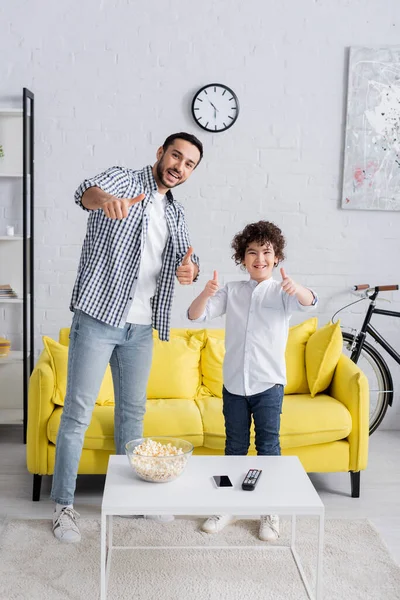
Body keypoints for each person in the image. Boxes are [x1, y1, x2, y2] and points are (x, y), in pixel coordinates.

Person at [51, 132, 203, 543]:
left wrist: (190, 270)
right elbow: (85, 193)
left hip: (141, 327)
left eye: (189, 164)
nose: (179, 166)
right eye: (176, 156)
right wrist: (106, 202)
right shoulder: (122, 180)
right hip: (99, 315)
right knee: (77, 414)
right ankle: (64, 506)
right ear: (160, 153)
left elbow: (188, 257)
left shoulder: (176, 212)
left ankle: (132, 499)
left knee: (132, 415)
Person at [188, 221, 318, 541]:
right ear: (242, 258)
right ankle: (228, 505)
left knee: (268, 448)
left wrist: (296, 288)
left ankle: (268, 511)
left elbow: (309, 300)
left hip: (268, 385)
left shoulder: (283, 292)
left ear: (276, 258)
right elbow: (194, 316)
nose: (259, 257)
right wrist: (205, 293)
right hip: (233, 384)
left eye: (266, 251)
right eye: (252, 252)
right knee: (233, 447)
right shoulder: (232, 291)